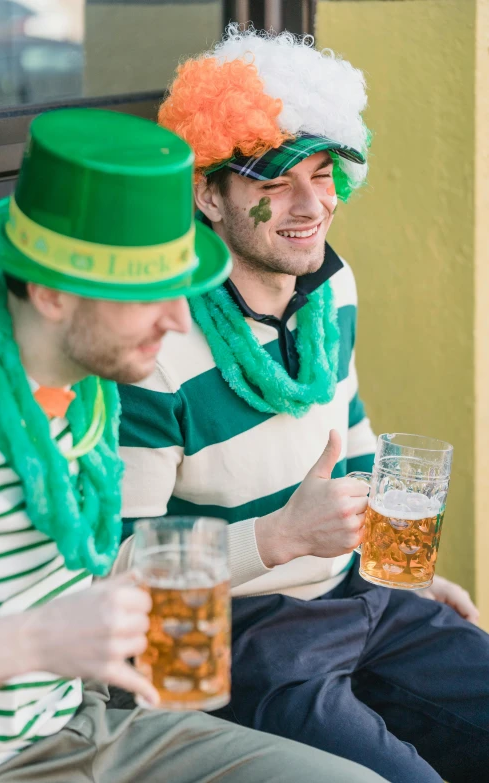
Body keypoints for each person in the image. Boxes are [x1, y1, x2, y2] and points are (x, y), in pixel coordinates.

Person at [0, 107, 386, 783]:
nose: (181, 319)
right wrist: (40, 639)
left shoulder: (94, 395)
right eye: (147, 295)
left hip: (94, 719)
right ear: (48, 292)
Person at [117, 27, 489, 783]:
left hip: (362, 592)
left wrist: (401, 573)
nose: (310, 203)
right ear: (207, 194)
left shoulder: (331, 290)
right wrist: (277, 536)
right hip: (239, 637)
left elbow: (349, 432)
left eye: (324, 175)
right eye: (274, 179)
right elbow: (120, 570)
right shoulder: (151, 342)